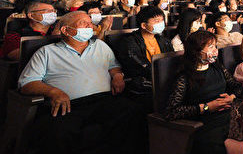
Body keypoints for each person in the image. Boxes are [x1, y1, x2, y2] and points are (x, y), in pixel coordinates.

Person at [17, 11, 146, 154]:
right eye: (83, 23)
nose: (90, 26)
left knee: (134, 112)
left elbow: (113, 66)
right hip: (70, 105)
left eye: (90, 23)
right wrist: (53, 92)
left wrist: (117, 76)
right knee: (57, 131)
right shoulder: (47, 52)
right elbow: (27, 83)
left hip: (103, 100)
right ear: (65, 30)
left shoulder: (100, 46)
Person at [164, 30, 242, 154]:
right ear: (196, 51)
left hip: (229, 116)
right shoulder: (184, 77)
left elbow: (237, 86)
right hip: (206, 124)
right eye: (211, 47)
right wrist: (206, 107)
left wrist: (231, 97)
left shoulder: (217, 67)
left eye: (215, 46)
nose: (215, 51)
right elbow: (171, 112)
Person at [114, 5, 173, 112]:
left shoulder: (164, 40)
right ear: (144, 25)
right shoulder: (130, 41)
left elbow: (172, 60)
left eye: (162, 20)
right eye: (156, 21)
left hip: (164, 80)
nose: (161, 23)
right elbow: (140, 66)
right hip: (143, 84)